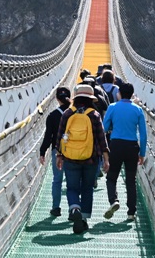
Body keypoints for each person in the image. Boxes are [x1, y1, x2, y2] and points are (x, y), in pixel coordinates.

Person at [57, 84, 110, 234]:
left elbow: (61, 135)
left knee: (72, 187)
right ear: (90, 99)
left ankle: (74, 208)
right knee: (87, 188)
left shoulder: (67, 113)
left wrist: (59, 155)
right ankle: (84, 219)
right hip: (91, 159)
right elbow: (101, 137)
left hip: (70, 158)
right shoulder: (94, 115)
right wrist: (106, 158)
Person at [101, 82, 147, 223]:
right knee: (131, 180)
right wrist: (142, 153)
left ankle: (113, 200)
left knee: (111, 177)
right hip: (132, 147)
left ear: (119, 94)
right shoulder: (138, 110)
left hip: (116, 145)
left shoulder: (113, 107)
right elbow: (143, 135)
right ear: (132, 94)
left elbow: (104, 128)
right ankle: (131, 212)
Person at [38, 86, 72, 216]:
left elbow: (48, 137)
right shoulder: (75, 113)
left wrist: (42, 152)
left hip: (57, 151)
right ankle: (73, 208)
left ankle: (56, 207)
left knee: (57, 180)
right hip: (74, 151)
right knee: (72, 181)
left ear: (57, 99)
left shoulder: (52, 116)